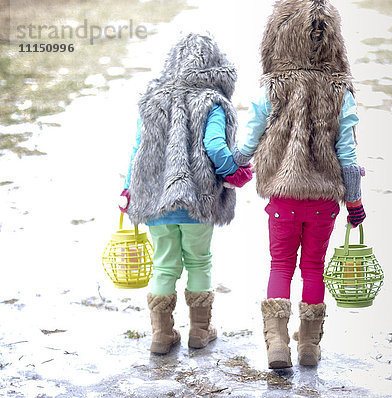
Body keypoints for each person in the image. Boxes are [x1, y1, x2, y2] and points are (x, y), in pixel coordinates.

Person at [232, 0, 366, 368]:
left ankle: (277, 345)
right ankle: (309, 347)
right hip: (324, 200)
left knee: (280, 266)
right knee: (313, 268)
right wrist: (354, 203)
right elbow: (348, 155)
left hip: (282, 195)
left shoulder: (273, 88)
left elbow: (251, 139)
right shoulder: (342, 91)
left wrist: (235, 165)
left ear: (279, 39)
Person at [119, 33, 253, 355]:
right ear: (214, 66)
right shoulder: (212, 102)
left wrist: (127, 189)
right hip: (197, 202)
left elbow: (139, 151)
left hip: (155, 202)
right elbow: (215, 147)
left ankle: (161, 335)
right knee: (199, 262)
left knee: (164, 264)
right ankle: (199, 331)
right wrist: (234, 172)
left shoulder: (153, 99)